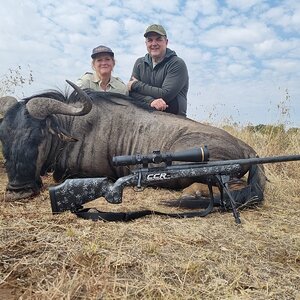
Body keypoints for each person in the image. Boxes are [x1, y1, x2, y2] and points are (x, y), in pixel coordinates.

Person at [127, 24, 189, 116]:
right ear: (146, 44)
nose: (154, 44)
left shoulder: (177, 63)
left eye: (158, 39)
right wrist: (151, 101)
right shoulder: (139, 63)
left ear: (166, 42)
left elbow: (165, 94)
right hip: (144, 117)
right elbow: (130, 93)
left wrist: (136, 85)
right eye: (150, 40)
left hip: (174, 119)